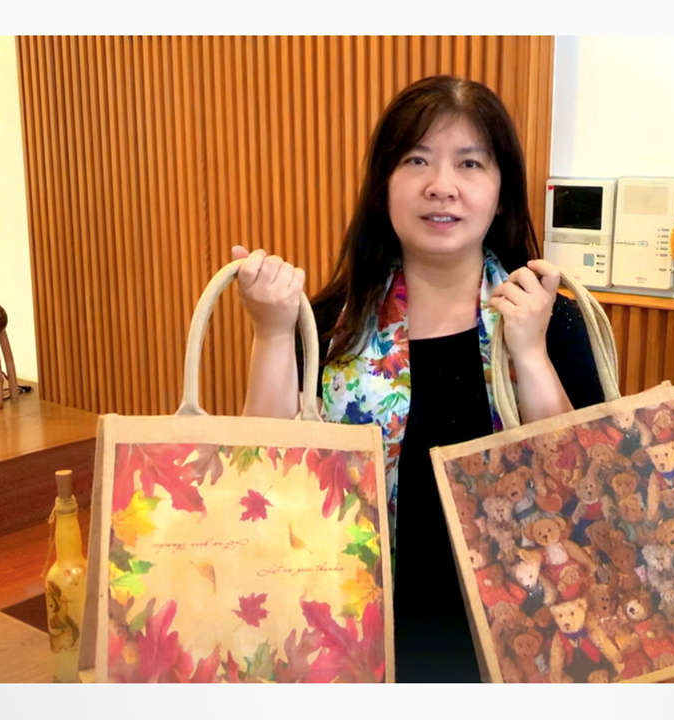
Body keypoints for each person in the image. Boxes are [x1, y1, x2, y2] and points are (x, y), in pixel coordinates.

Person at [232, 75, 604, 682]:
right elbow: (263, 480)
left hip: (521, 641)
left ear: (502, 193)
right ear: (383, 186)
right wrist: (272, 332)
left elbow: (585, 488)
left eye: (470, 163)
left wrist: (530, 353)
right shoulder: (329, 326)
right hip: (357, 638)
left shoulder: (550, 318)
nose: (441, 186)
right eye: (416, 160)